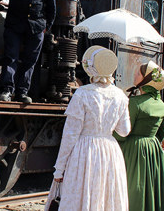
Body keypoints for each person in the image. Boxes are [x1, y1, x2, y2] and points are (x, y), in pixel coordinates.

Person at [47, 46, 131, 210]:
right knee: (106, 197)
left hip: (86, 152)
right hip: (110, 151)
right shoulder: (121, 96)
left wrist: (59, 170)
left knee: (81, 195)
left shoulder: (83, 94)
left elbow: (70, 135)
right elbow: (124, 131)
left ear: (91, 68)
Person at [116, 60, 164, 211]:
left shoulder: (134, 103)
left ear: (146, 80)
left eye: (138, 73)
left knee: (133, 187)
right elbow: (162, 134)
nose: (135, 75)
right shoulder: (161, 105)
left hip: (132, 149)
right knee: (150, 187)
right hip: (153, 150)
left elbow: (123, 133)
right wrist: (150, 144)